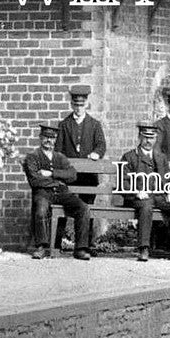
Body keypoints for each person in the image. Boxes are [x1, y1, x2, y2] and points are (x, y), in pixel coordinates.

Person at [119, 123, 170, 263]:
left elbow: (169, 178)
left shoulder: (161, 157)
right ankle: (143, 248)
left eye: (151, 138)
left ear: (155, 139)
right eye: (145, 137)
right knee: (146, 207)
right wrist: (136, 192)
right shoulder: (129, 157)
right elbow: (123, 182)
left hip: (159, 196)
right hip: (140, 197)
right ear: (139, 137)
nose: (148, 141)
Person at [22, 122, 91, 260]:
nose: (49, 140)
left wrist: (51, 173)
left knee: (83, 207)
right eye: (46, 137)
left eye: (52, 138)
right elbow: (35, 180)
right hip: (43, 192)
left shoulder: (60, 157)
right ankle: (41, 247)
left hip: (61, 192)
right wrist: (58, 180)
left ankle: (80, 249)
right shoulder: (32, 157)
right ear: (40, 138)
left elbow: (72, 175)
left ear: (55, 140)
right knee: (41, 209)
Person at [55, 84, 107, 254]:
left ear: (86, 104)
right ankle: (56, 243)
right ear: (72, 104)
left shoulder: (94, 125)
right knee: (62, 205)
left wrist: (96, 153)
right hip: (69, 175)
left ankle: (85, 245)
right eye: (76, 105)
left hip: (88, 176)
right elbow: (58, 150)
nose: (78, 108)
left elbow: (101, 145)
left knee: (87, 208)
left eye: (81, 105)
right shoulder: (64, 125)